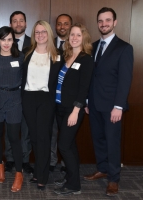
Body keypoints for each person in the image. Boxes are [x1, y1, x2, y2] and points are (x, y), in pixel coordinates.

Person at [84, 7, 133, 196]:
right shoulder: (93, 46)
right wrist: (87, 100)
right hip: (94, 104)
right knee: (99, 139)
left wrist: (119, 106)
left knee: (112, 142)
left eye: (107, 20)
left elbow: (125, 80)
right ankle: (102, 168)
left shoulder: (124, 48)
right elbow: (91, 76)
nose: (104, 24)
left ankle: (113, 179)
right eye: (100, 21)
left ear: (115, 22)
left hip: (113, 106)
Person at [53, 23, 94, 195]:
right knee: (70, 145)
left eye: (78, 35)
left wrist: (76, 110)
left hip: (72, 110)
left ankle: (73, 185)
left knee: (63, 145)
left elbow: (84, 87)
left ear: (84, 38)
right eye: (72, 35)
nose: (74, 38)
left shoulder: (86, 59)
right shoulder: (65, 55)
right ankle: (72, 177)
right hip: (59, 107)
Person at [22, 20, 63, 190]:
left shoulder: (57, 55)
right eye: (37, 32)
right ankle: (38, 171)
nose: (40, 35)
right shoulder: (26, 53)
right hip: (28, 98)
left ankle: (42, 176)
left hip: (46, 99)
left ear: (49, 34)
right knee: (34, 138)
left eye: (43, 32)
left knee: (43, 138)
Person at [0, 26, 24, 192]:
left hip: (14, 99)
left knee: (14, 137)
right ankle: (0, 165)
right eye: (3, 39)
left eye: (10, 39)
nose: (6, 43)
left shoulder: (21, 57)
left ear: (13, 41)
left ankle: (18, 172)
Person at [5, 10, 33, 174]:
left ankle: (25, 160)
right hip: (9, 94)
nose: (18, 24)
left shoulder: (34, 42)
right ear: (10, 24)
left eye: (21, 20)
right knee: (10, 128)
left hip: (28, 93)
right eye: (14, 21)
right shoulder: (4, 42)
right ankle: (9, 159)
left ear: (26, 23)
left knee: (26, 129)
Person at [50, 13, 73, 173]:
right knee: (51, 131)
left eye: (66, 24)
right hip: (51, 98)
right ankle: (52, 161)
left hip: (69, 100)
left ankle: (66, 162)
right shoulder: (49, 45)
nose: (62, 27)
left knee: (67, 134)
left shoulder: (77, 46)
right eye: (59, 24)